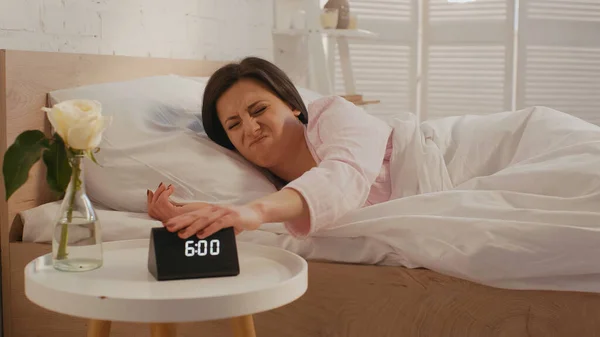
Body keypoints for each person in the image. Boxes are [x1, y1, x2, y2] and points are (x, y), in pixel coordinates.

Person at [146, 57, 394, 240]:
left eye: (259, 110)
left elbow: (344, 176)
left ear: (291, 104)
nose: (251, 128)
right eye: (234, 125)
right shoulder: (268, 185)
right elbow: (240, 210)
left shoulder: (335, 114)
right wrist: (179, 213)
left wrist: (257, 212)